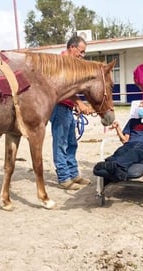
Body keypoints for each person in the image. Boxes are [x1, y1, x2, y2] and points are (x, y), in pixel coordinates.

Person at [50, 35, 92, 190]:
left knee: (72, 143)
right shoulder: (60, 63)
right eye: (81, 52)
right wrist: (78, 102)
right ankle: (63, 177)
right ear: (72, 47)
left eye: (83, 53)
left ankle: (73, 174)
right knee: (61, 143)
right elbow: (61, 88)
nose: (82, 55)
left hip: (67, 107)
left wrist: (77, 104)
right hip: (58, 106)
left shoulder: (70, 64)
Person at [93, 98, 143, 182]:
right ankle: (118, 170)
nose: (140, 105)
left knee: (135, 151)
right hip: (128, 145)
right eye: (140, 103)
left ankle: (114, 166)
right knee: (119, 151)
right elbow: (125, 141)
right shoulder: (132, 121)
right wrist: (117, 128)